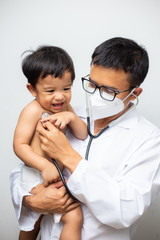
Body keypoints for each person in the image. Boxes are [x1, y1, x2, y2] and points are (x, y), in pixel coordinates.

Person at [10, 37, 160, 240]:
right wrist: (30, 201)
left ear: (134, 94)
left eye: (109, 90)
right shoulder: (63, 114)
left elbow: (126, 210)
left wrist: (68, 155)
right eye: (92, 84)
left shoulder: (148, 139)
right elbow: (23, 169)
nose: (96, 95)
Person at [13, 46, 87, 240]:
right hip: (35, 175)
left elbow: (82, 134)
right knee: (33, 222)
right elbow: (19, 145)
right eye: (50, 90)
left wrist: (70, 117)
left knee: (74, 216)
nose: (60, 96)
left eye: (66, 88)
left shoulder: (66, 108)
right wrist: (44, 166)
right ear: (32, 89)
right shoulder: (32, 111)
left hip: (55, 175)